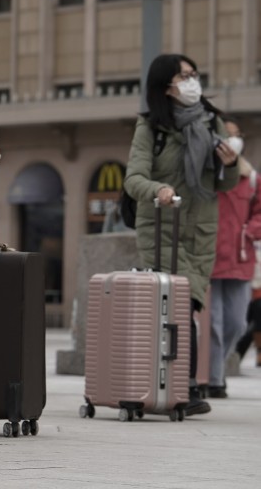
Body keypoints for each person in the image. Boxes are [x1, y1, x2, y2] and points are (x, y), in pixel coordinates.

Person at [123, 53, 240, 416]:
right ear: (166, 86)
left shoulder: (212, 122)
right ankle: (183, 387)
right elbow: (133, 178)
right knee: (179, 303)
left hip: (200, 229)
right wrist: (157, 188)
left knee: (187, 305)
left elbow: (225, 183)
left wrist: (230, 164)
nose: (192, 82)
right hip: (161, 225)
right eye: (184, 76)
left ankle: (178, 384)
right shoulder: (151, 128)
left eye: (194, 74)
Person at [208, 120, 261, 397]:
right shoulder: (208, 175)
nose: (233, 140)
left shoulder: (251, 178)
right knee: (212, 324)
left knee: (237, 323)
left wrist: (250, 231)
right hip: (210, 259)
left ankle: (213, 371)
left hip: (240, 260)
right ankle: (214, 380)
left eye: (236, 135)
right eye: (227, 135)